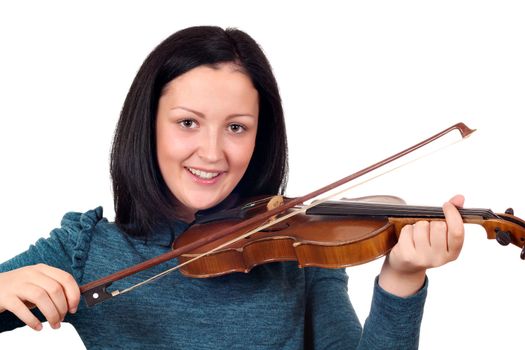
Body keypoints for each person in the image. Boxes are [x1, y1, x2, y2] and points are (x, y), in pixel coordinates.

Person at [0, 26, 465, 349]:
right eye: (187, 123)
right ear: (149, 126)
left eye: (237, 128)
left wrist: (402, 279)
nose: (212, 152)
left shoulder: (297, 248)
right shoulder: (87, 249)